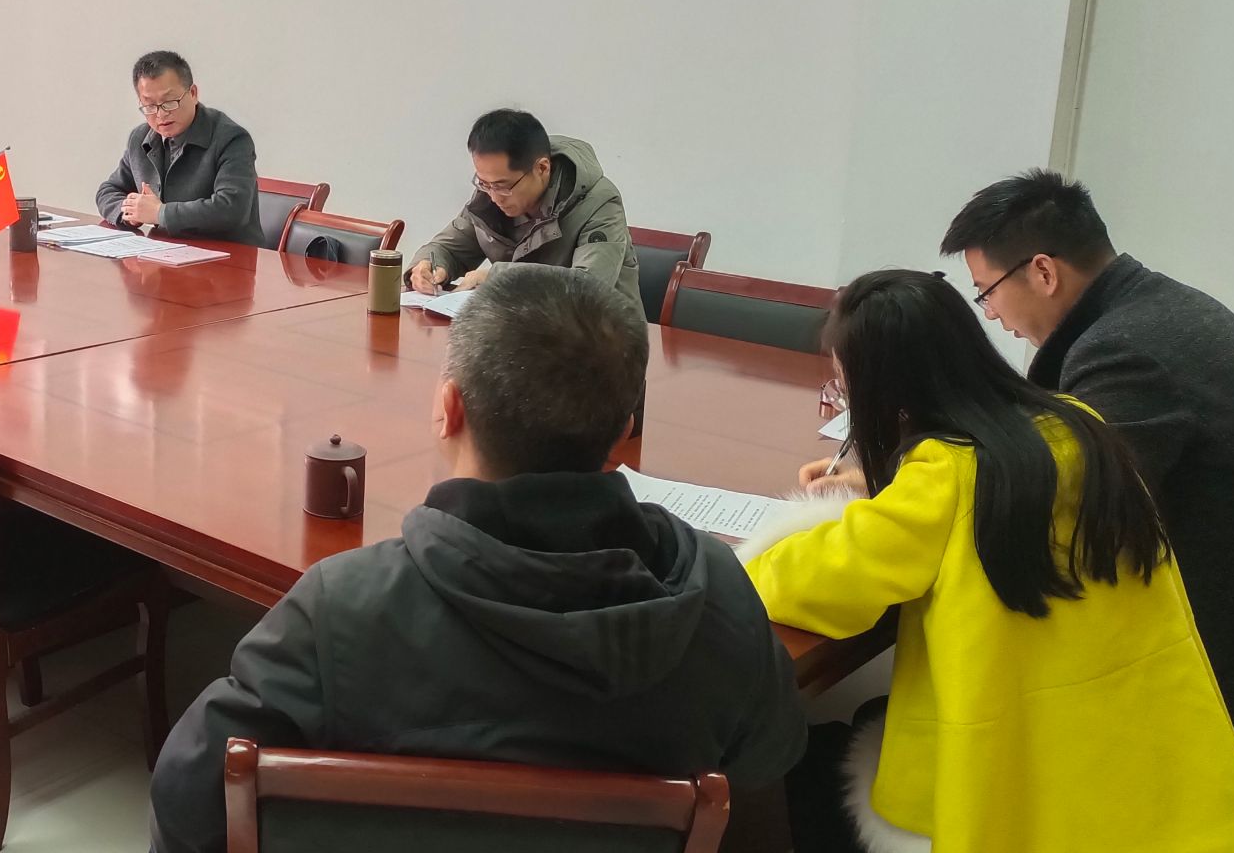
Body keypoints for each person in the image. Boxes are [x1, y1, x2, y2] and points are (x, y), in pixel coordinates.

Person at [149, 265, 806, 853]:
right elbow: (767, 767)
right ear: (622, 433)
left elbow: (190, 795)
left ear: (448, 408)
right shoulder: (718, 594)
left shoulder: (343, 606)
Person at [750, 270, 1234, 853]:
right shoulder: (1079, 424)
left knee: (803, 781)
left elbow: (817, 582)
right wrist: (881, 482)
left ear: (884, 392)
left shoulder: (944, 477)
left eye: (846, 388)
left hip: (1030, 781)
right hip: (1149, 766)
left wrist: (757, 550)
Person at [932, 169, 1234, 771]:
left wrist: (912, 481)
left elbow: (1061, 509)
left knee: (986, 691)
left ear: (1043, 272)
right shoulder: (1160, 307)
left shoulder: (1123, 349)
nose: (990, 314)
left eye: (986, 292)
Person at [406, 109, 643, 316]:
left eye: (503, 186)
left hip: (602, 337)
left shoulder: (599, 202)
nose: (494, 197)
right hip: (525, 329)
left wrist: (498, 277)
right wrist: (429, 266)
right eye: (484, 183)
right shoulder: (491, 195)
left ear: (542, 168)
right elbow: (450, 248)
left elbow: (589, 288)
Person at [96, 50, 260, 245]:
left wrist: (160, 213)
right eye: (150, 106)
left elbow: (231, 208)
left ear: (193, 93)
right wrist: (130, 213)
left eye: (169, 102)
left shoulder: (231, 138)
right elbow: (108, 190)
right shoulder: (140, 138)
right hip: (164, 251)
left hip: (229, 255)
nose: (161, 114)